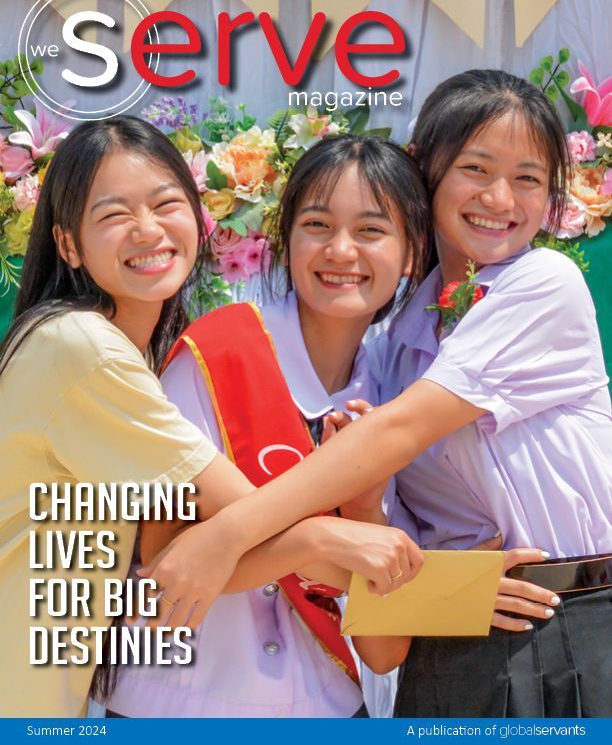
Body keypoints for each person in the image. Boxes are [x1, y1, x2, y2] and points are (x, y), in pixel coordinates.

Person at [108, 135, 561, 718]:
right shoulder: (216, 355)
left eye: (371, 231)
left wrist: (368, 516)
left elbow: (382, 651)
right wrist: (325, 541)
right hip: (176, 707)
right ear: (286, 241)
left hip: (329, 709)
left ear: (410, 253)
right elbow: (167, 565)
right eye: (318, 225)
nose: (341, 251)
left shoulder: (397, 399)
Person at [0, 118, 421, 718]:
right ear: (69, 244)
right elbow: (210, 537)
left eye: (166, 203)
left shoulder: (396, 384)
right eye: (115, 214)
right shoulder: (88, 349)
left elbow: (373, 621)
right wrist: (332, 538)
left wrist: (447, 577)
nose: (147, 229)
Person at [364, 69, 611, 717]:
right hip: (451, 639)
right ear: (428, 172)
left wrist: (228, 538)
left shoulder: (544, 283)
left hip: (586, 627)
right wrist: (452, 588)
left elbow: (395, 433)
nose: (501, 198)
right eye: (476, 168)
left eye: (528, 178)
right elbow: (389, 541)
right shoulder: (389, 343)